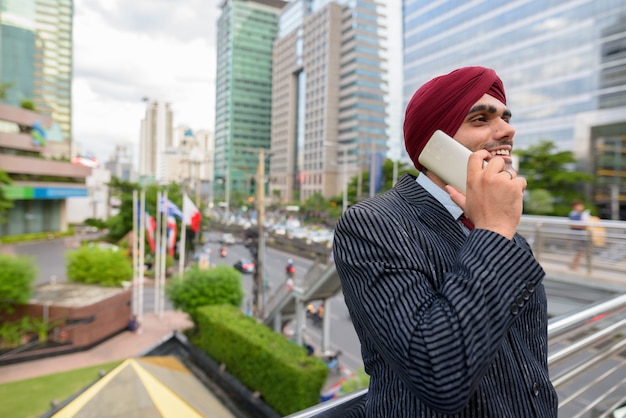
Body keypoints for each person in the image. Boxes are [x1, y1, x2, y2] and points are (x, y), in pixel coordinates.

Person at [333, 67, 557, 416]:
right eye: (481, 119)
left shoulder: (507, 234)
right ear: (435, 146)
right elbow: (438, 373)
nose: (508, 130)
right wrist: (495, 230)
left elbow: (529, 362)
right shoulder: (373, 223)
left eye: (506, 118)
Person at [568, 200, 590, 270]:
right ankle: (574, 266)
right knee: (579, 251)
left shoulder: (581, 214)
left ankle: (574, 265)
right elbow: (573, 225)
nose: (581, 207)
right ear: (575, 207)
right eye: (579, 206)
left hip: (581, 235)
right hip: (577, 235)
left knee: (580, 251)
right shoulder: (574, 214)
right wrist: (583, 226)